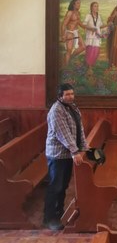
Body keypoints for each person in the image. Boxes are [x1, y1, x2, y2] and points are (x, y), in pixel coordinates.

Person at [43, 83, 89, 231]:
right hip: (57, 155)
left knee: (63, 186)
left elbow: (79, 129)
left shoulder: (73, 107)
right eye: (67, 94)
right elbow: (64, 134)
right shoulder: (56, 111)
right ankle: (49, 218)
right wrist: (75, 152)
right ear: (59, 96)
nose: (70, 96)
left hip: (68, 154)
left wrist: (84, 147)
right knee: (55, 186)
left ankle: (59, 211)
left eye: (71, 94)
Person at [61, 0, 86, 66]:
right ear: (73, 5)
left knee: (83, 47)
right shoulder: (70, 13)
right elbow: (63, 25)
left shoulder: (78, 13)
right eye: (78, 3)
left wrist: (88, 28)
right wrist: (63, 35)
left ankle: (70, 58)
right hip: (69, 32)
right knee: (69, 50)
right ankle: (66, 67)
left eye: (79, 3)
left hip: (76, 32)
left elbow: (80, 23)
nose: (79, 5)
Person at [83, 2, 107, 72]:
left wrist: (107, 25)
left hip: (97, 37)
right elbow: (84, 25)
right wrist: (90, 28)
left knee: (96, 52)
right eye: (95, 6)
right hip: (90, 37)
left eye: (97, 6)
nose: (97, 8)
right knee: (90, 52)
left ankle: (90, 68)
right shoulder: (88, 15)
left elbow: (100, 26)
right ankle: (89, 69)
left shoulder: (99, 16)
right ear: (91, 8)